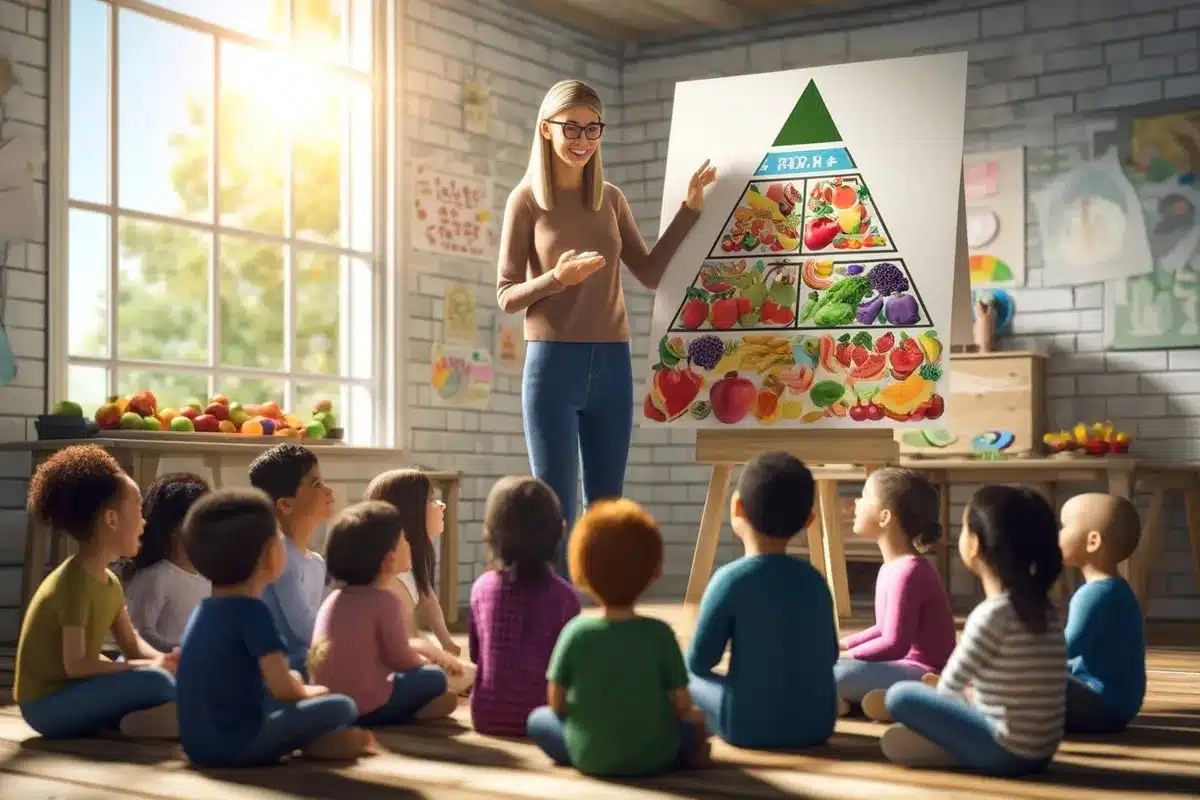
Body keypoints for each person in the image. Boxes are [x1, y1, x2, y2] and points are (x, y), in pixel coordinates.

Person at [497, 78, 716, 568]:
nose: (582, 139)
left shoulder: (611, 198)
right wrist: (557, 277)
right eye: (571, 127)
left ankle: (605, 621)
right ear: (546, 129)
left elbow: (650, 271)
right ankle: (555, 620)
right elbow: (507, 295)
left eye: (593, 127)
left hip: (613, 364)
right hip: (553, 364)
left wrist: (690, 210)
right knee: (555, 506)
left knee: (607, 510)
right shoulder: (527, 201)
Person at [176, 488, 371, 766]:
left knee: (295, 679)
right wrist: (309, 692)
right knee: (342, 705)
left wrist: (293, 684)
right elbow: (283, 689)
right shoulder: (253, 612)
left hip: (196, 746)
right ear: (269, 553)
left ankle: (315, 740)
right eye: (279, 538)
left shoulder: (203, 610)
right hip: (239, 745)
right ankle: (317, 742)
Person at [882, 485, 1067, 777]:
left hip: (1005, 752)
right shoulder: (1047, 610)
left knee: (900, 695)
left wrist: (941, 699)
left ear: (976, 544)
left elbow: (948, 689)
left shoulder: (991, 614)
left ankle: (950, 746)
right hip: (1042, 753)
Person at [526, 498, 709, 776]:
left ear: (581, 571)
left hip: (591, 755)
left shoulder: (575, 632)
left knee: (538, 720)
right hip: (656, 755)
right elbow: (682, 706)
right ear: (655, 570)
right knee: (690, 727)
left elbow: (557, 703)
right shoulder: (661, 635)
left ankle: (590, 747)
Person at [15, 445, 177, 740]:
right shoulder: (72, 582)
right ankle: (144, 720)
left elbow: (132, 646)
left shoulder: (109, 583)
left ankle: (137, 717)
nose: (144, 522)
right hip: (47, 707)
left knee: (154, 673)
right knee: (156, 683)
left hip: (78, 692)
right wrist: (153, 667)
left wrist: (170, 660)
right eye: (139, 511)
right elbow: (75, 665)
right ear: (112, 519)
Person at [686, 452, 839, 749]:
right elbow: (830, 656)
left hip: (745, 726)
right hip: (818, 724)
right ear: (809, 519)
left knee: (681, 672)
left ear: (737, 507)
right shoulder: (815, 581)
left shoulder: (728, 580)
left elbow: (700, 661)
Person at [309, 500, 457, 726]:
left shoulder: (332, 600)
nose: (408, 543)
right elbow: (401, 660)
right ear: (389, 560)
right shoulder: (385, 601)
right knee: (435, 679)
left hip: (333, 699)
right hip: (369, 705)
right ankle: (411, 710)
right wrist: (430, 664)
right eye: (403, 539)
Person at [836, 468, 956, 722]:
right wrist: (844, 644)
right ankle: (863, 701)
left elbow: (894, 643)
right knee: (827, 670)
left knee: (834, 673)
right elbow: (882, 628)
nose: (856, 502)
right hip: (900, 667)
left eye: (864, 496)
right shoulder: (892, 567)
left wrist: (846, 656)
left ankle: (920, 696)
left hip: (924, 672)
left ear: (885, 517)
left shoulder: (910, 570)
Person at [469, 476, 580, 736]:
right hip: (544, 714)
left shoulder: (481, 589)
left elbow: (477, 656)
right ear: (560, 532)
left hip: (486, 716)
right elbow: (569, 672)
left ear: (490, 534)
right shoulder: (566, 598)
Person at [364, 468, 473, 693]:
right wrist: (438, 658)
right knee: (470, 675)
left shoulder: (413, 561)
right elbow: (402, 644)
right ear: (410, 512)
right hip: (387, 669)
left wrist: (446, 642)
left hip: (408, 656)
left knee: (468, 672)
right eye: (432, 499)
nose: (441, 505)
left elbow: (427, 600)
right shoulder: (390, 580)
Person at [1058, 493, 1146, 734]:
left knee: (1024, 678)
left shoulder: (1093, 595)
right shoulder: (1117, 588)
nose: (1058, 534)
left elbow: (1065, 649)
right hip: (1120, 704)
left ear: (1092, 542)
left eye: (1063, 527)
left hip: (1100, 702)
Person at [251, 443, 335, 674]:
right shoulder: (281, 559)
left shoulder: (317, 561)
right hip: (289, 671)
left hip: (312, 661)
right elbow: (306, 630)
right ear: (286, 504)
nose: (328, 490)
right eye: (317, 484)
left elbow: (324, 616)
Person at [124, 472, 212, 653]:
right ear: (174, 526)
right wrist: (179, 651)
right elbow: (139, 634)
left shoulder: (209, 577)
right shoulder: (156, 577)